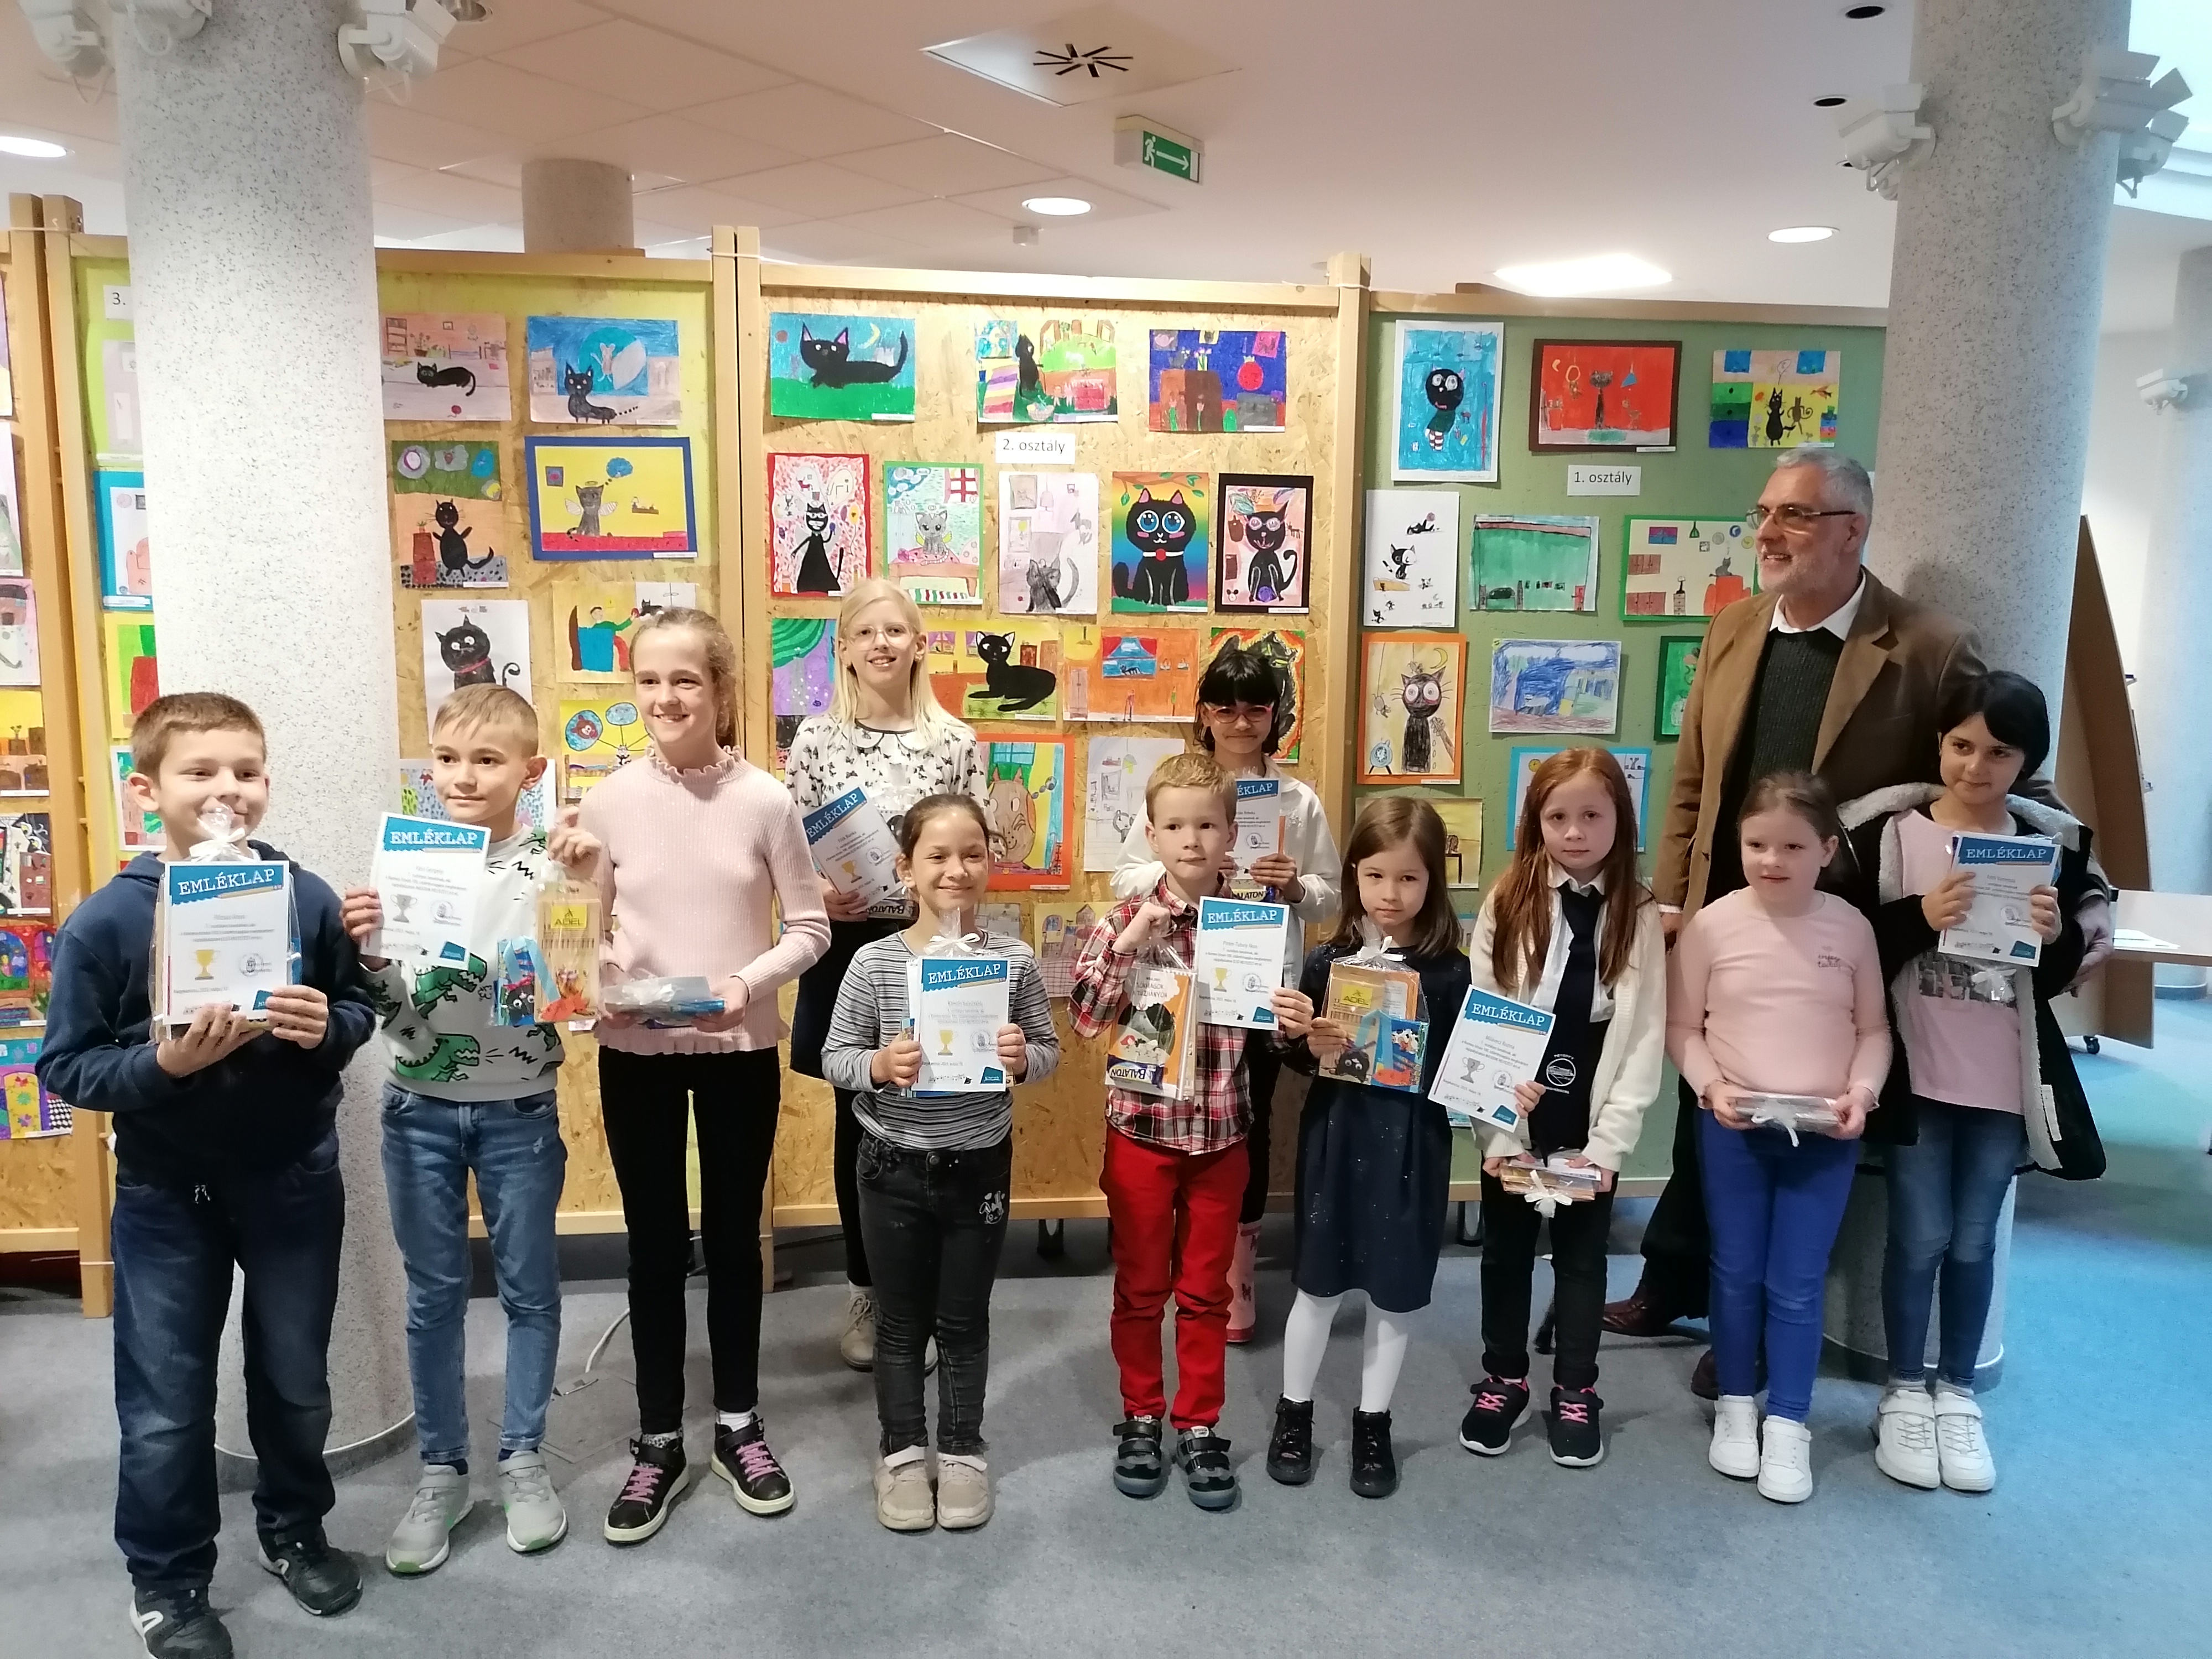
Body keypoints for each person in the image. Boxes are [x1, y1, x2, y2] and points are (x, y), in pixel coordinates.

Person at [1615, 446, 2113, 1396]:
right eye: (1765, 513)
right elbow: (1694, 780)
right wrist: (1675, 897)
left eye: (1794, 515)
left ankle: (1752, 1325)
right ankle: (1672, 1281)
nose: (1768, 533)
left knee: (1793, 1123)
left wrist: (2093, 896)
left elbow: (2016, 781)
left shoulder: (1928, 646)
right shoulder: (1733, 626)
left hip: (1838, 934)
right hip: (1727, 918)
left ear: (1853, 530)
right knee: (1704, 1105)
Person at [39, 693, 377, 1659]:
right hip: (165, 1196)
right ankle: (168, 1577)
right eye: (201, 771)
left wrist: (328, 1029)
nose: (228, 788)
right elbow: (66, 1067)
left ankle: (293, 1527)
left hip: (293, 1180)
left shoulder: (305, 898)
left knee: (297, 1381)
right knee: (163, 1403)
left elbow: (354, 1009)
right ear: (146, 789)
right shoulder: (110, 919)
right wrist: (164, 1066)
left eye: (246, 770)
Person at [549, 607, 830, 1546]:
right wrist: (599, 972)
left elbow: (809, 928)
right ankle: (660, 1438)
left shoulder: (766, 802)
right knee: (655, 1247)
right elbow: (580, 937)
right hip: (636, 1054)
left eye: (685, 680)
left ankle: (739, 1424)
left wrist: (744, 985)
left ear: (720, 689)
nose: (665, 698)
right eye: (648, 681)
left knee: (737, 1242)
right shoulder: (605, 803)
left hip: (738, 1049)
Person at [1838, 672, 2104, 1494]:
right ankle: (1902, 1391)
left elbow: (2054, 979)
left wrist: (2057, 938)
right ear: (1938, 743)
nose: (1975, 767)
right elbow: (1851, 945)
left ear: (2026, 763)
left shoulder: (2048, 847)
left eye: (1999, 753)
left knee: (1975, 1239)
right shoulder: (1891, 834)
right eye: (1961, 745)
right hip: (1919, 1074)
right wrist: (1921, 915)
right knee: (1918, 1235)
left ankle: (1956, 1391)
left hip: (2000, 1080)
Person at [340, 684, 571, 1574]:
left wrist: (589, 883)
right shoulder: (409, 864)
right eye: (447, 759)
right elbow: (396, 1012)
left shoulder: (555, 861)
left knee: (530, 1290)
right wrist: (369, 960)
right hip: (418, 1109)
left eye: (487, 759)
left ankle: (523, 1458)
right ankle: (442, 1471)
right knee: (433, 1294)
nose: (464, 777)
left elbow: (577, 981)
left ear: (531, 771)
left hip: (520, 1106)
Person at [1068, 752, 1304, 1512]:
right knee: (1141, 1288)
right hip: (1141, 1133)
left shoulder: (1255, 924)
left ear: (1231, 833)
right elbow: (1086, 1019)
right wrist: (1131, 942)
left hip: (1221, 1138)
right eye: (1175, 826)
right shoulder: (1122, 920)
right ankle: (1141, 1415)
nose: (1192, 840)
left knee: (1205, 1293)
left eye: (1206, 825)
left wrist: (1291, 1019)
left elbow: (1273, 1035)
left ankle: (1199, 1423)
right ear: (1152, 833)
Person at [821, 795, 1060, 1532]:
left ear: (990, 864)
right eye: (938, 856)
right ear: (906, 868)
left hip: (978, 1166)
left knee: (963, 1320)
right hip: (891, 1165)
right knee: (899, 1324)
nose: (956, 869)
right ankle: (900, 1453)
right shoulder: (873, 962)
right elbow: (834, 1057)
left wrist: (1022, 1058)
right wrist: (879, 1065)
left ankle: (960, 1451)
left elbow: (1048, 1052)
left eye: (972, 855)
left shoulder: (1012, 960)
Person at [1667, 773, 1890, 1504]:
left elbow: (1874, 1030)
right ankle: (1737, 1405)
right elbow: (1682, 1027)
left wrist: (1862, 1092)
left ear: (1827, 849)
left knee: (1796, 1281)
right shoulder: (1712, 925)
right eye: (1757, 844)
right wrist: (1711, 1087)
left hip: (1825, 1135)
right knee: (1734, 1272)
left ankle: (1790, 1421)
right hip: (1733, 1129)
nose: (1771, 860)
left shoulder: (1850, 928)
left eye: (1792, 846)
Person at [784, 578, 987, 1371]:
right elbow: (791, 850)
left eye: (895, 630)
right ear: (844, 649)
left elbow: (974, 853)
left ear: (919, 644)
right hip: (847, 950)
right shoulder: (814, 739)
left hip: (933, 947)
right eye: (865, 632)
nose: (881, 644)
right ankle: (867, 1289)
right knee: (861, 1121)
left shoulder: (955, 740)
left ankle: (924, 1291)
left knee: (937, 1108)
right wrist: (815, 892)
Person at [1113, 643, 1340, 1342]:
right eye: (1226, 708)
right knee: (1166, 1116)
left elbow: (1331, 898)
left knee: (1248, 1122)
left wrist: (1293, 885)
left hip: (1256, 985)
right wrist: (1191, 866)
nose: (1241, 723)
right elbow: (1123, 876)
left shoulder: (1297, 801)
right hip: (1175, 984)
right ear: (1204, 714)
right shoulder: (1179, 790)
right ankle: (1172, 1257)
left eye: (1256, 709)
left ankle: (1233, 1273)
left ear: (1275, 716)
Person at [1456, 750, 1665, 1470]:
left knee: (1580, 1258)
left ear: (1620, 819)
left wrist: (1609, 1147)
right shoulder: (1508, 898)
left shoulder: (1639, 910)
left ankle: (1576, 1388)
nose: (1574, 832)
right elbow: (1484, 1021)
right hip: (1518, 1103)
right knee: (1507, 1252)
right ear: (1536, 821)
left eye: (1591, 815)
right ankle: (1504, 1378)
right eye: (1557, 817)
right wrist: (1498, 1134)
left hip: (1588, 1107)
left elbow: (1644, 1035)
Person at [1262, 796, 1468, 1499]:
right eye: (1376, 875)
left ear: (1432, 881)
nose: (1391, 894)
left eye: (1409, 878)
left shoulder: (1450, 971)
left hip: (1412, 1149)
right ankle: (1294, 1414)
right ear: (1353, 874)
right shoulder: (1327, 961)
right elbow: (1296, 1056)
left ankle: (1372, 1423)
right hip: (1337, 1137)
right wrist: (1303, 1038)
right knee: (1317, 1287)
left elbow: (1460, 1067)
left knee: (1395, 1294)